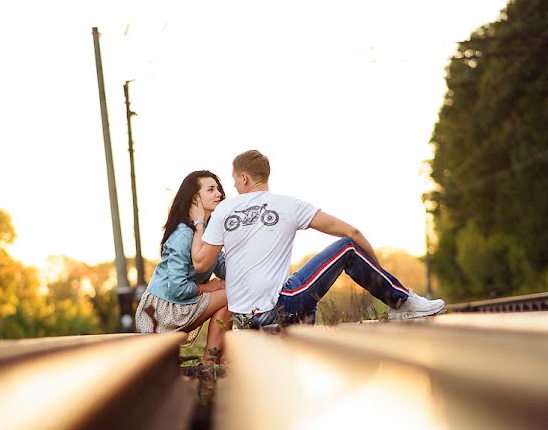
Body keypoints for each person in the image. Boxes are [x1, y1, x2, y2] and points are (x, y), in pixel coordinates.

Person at [189, 150, 445, 329]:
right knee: (347, 247)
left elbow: (201, 265)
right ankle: (402, 301)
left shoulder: (224, 210)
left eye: (234, 180)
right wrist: (378, 271)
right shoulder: (289, 205)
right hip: (278, 307)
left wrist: (199, 222)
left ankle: (300, 346)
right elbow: (352, 233)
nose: (234, 186)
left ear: (244, 178)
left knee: (303, 294)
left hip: (246, 319)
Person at [135, 170, 231, 365]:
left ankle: (219, 360)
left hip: (179, 305)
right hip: (160, 311)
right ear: (195, 198)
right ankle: (209, 365)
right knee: (230, 294)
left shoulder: (206, 232)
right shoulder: (183, 234)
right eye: (211, 189)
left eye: (218, 189)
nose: (218, 194)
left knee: (232, 292)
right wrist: (208, 287)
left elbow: (224, 269)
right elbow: (177, 287)